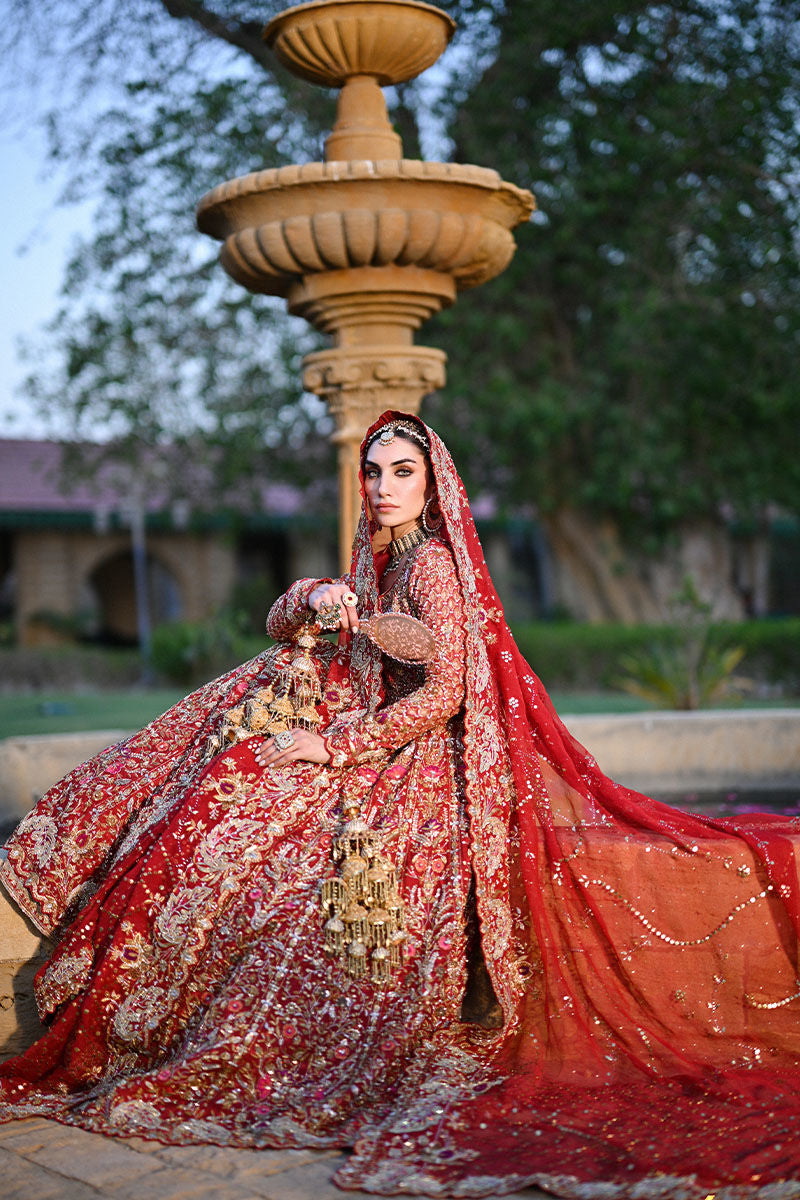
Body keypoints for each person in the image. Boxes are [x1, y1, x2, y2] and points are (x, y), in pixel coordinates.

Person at [1, 410, 800, 1199]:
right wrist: (316, 592)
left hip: (415, 762)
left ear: (432, 484)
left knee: (253, 810)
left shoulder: (431, 568)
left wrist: (335, 746)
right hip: (372, 737)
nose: (384, 487)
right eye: (374, 472)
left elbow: (446, 692)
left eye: (402, 472)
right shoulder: (379, 563)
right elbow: (281, 622)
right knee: (233, 750)